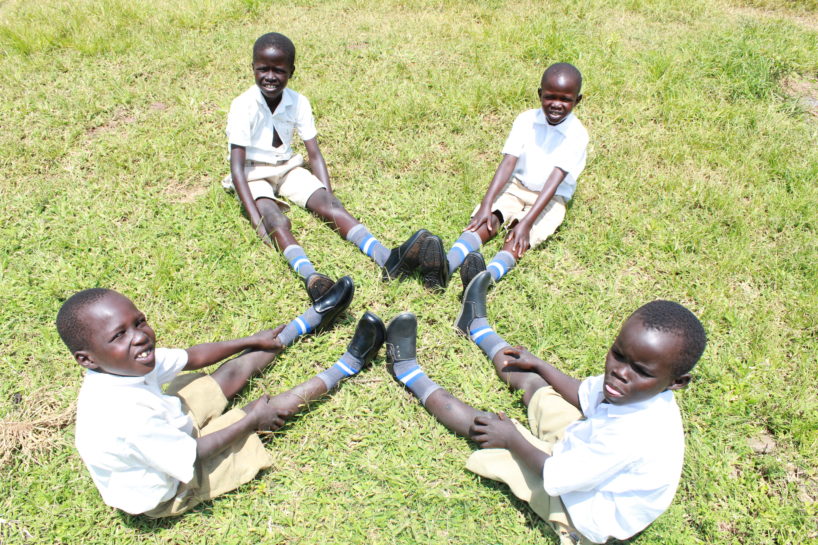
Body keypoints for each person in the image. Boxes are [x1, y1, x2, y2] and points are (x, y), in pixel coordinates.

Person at [386, 271, 706, 544]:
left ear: (676, 382)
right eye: (618, 355)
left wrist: (513, 438)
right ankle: (476, 325)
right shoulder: (632, 391)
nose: (620, 372)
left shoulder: (631, 437)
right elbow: (582, 393)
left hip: (583, 506)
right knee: (534, 383)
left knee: (488, 427)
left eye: (641, 371)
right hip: (584, 449)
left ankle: (407, 371)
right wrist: (540, 365)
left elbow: (555, 475)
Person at [56, 282, 387, 517]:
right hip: (172, 482)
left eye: (139, 321)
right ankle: (349, 364)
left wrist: (250, 339)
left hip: (166, 429)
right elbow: (195, 452)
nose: (140, 336)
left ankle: (311, 319)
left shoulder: (124, 363)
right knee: (264, 411)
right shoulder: (123, 417)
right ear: (88, 359)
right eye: (119, 334)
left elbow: (194, 356)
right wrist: (250, 422)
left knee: (225, 374)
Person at [223, 32, 434, 300]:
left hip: (286, 167)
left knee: (331, 206)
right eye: (263, 69)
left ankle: (386, 258)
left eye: (279, 70)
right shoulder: (243, 106)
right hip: (253, 172)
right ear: (252, 68)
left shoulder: (298, 102)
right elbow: (237, 167)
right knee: (275, 218)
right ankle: (311, 276)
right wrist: (255, 218)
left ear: (292, 71)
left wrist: (327, 193)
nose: (270, 76)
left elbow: (314, 153)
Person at [418, 63, 589, 293]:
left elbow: (555, 180)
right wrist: (487, 204)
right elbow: (508, 162)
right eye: (550, 97)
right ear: (540, 94)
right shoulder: (526, 120)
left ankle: (482, 281)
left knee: (519, 238)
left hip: (551, 197)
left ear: (577, 100)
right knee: (487, 220)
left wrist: (526, 222)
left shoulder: (577, 135)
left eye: (565, 99)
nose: (556, 104)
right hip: (516, 187)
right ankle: (446, 266)